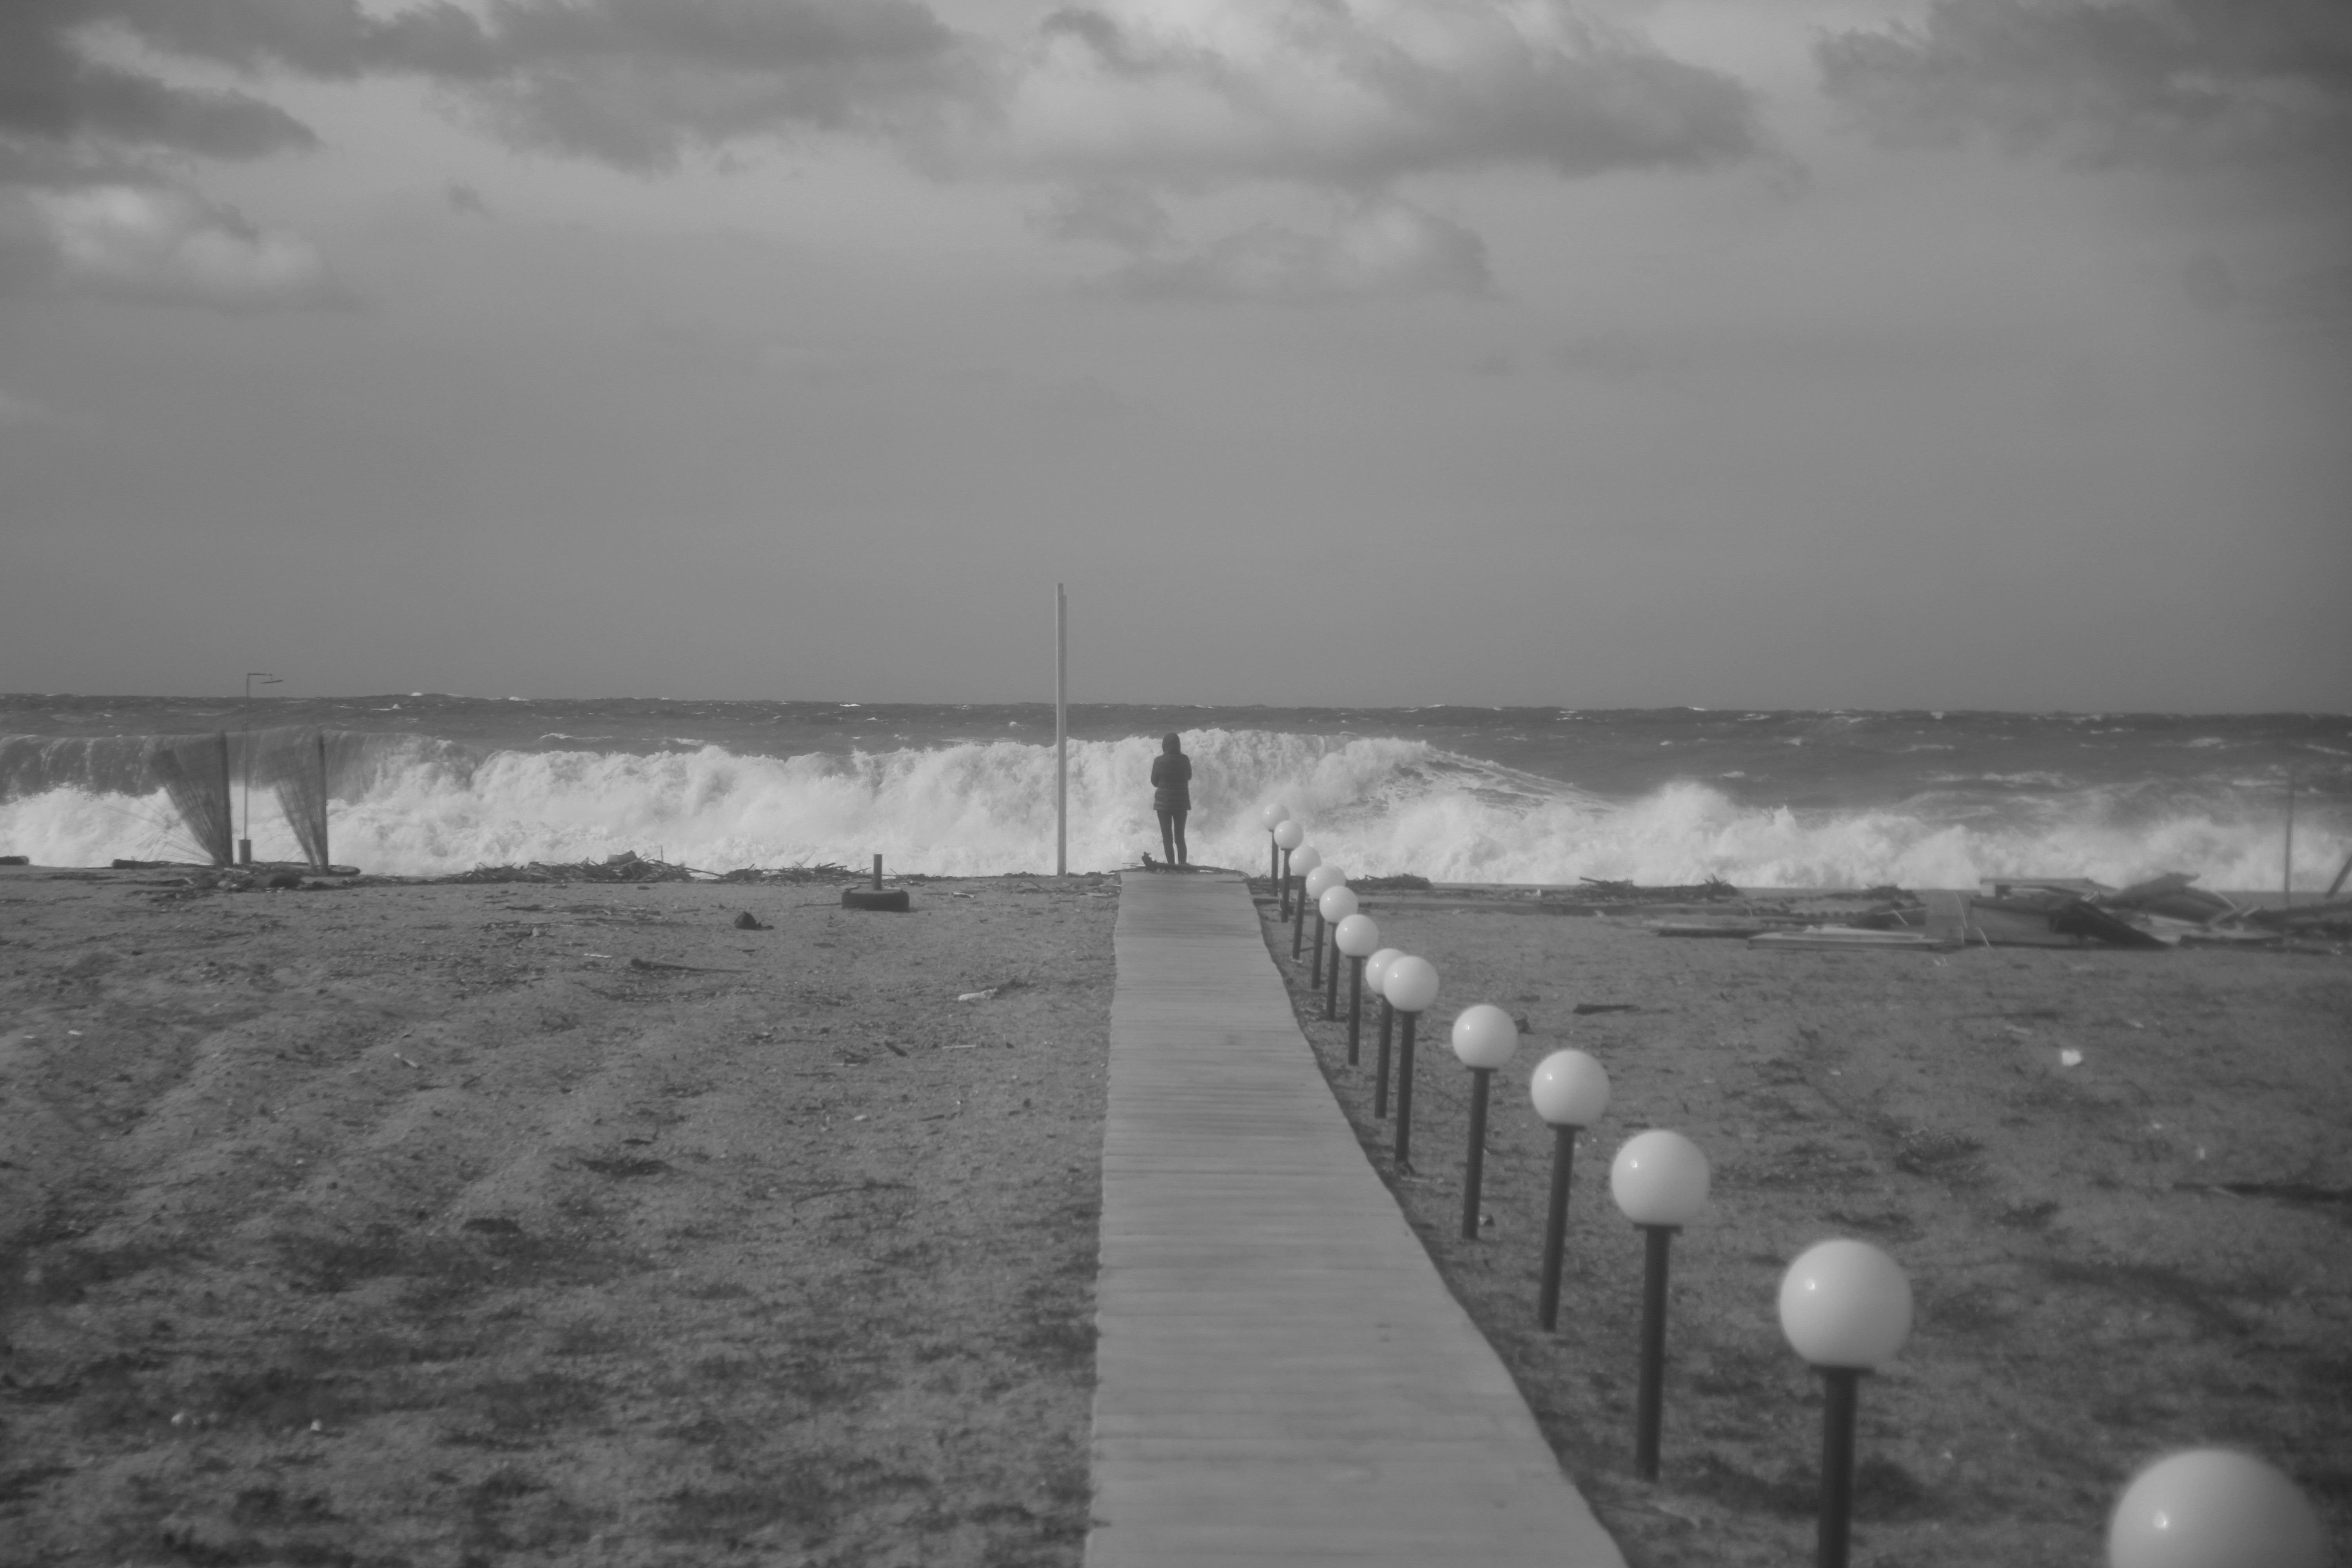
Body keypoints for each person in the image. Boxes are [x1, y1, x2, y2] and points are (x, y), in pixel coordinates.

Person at [1150, 732, 1192, 869]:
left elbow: (1154, 782)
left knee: (1167, 839)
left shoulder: (1159, 761)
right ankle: (1182, 866)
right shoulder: (1185, 760)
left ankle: (1171, 866)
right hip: (1181, 803)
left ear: (1165, 746)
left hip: (1164, 804)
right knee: (1180, 838)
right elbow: (1189, 776)